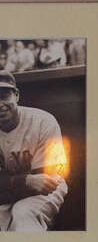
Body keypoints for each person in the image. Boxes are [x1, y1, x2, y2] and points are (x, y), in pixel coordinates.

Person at [0, 70, 67, 231]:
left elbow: (44, 181)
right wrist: (25, 181)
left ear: (16, 95)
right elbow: (32, 182)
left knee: (23, 214)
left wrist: (7, 183)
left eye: (4, 95)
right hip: (9, 193)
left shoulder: (44, 122)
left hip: (48, 190)